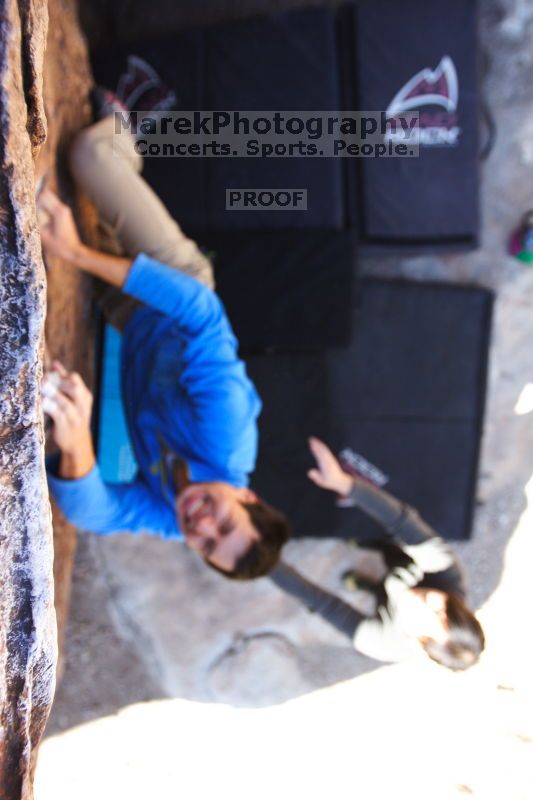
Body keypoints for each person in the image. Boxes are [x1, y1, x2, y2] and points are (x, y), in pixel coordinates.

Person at [40, 70, 290, 580]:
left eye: (206, 545)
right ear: (246, 495)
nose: (202, 526)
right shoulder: (228, 435)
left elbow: (96, 513)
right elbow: (202, 312)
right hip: (177, 286)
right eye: (224, 523)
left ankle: (114, 194)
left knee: (76, 217)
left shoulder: (175, 516)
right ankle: (122, 131)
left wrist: (74, 440)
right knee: (88, 155)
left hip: (128, 316)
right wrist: (76, 254)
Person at [271, 437, 485, 671]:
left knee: (384, 589)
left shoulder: (383, 644)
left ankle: (368, 585)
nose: (426, 604)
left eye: (428, 622)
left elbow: (322, 603)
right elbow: (402, 521)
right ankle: (368, 543)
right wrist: (343, 483)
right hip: (400, 562)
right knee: (389, 547)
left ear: (423, 645)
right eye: (443, 609)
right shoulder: (449, 577)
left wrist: (263, 562)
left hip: (396, 588)